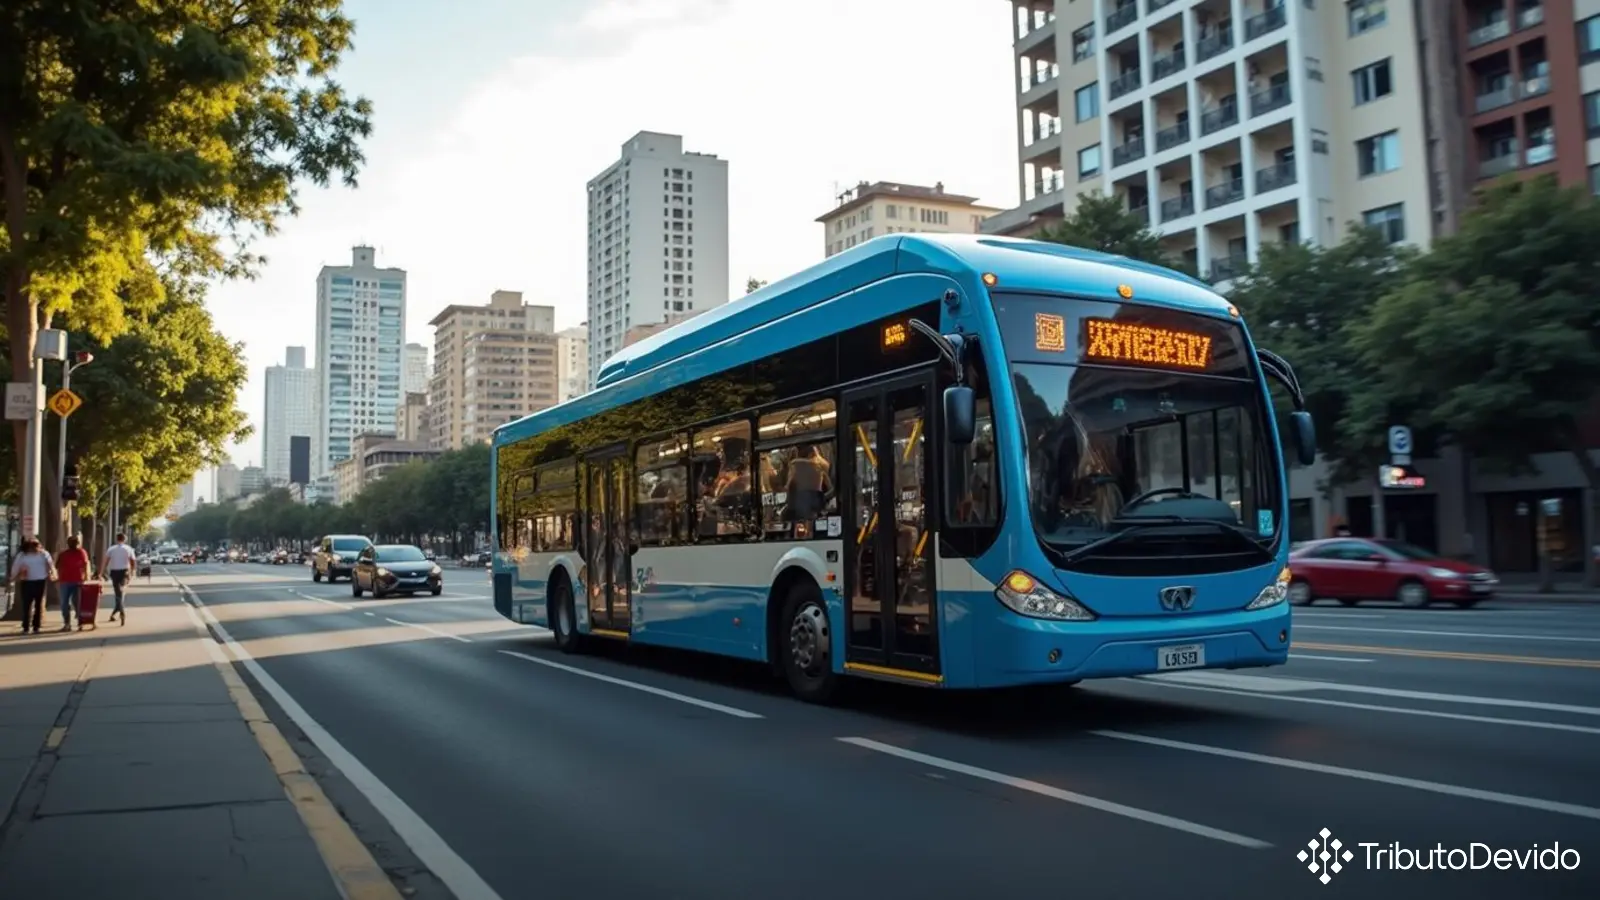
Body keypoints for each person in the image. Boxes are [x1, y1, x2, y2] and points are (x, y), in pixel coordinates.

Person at [9, 538, 55, 635]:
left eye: (35, 546)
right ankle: (26, 626)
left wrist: (52, 573)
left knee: (38, 604)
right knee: (27, 605)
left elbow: (50, 564)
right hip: (27, 581)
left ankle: (35, 626)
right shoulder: (22, 555)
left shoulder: (43, 554)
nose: (34, 549)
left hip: (40, 581)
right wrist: (13, 577)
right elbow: (16, 567)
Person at [56, 534, 91, 632]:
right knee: (66, 603)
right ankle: (68, 623)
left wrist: (87, 576)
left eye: (75, 543)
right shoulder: (64, 554)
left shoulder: (81, 552)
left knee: (76, 603)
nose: (74, 545)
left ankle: (79, 623)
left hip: (76, 581)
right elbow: (57, 565)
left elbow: (85, 564)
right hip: (67, 580)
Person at [100, 532, 136, 625]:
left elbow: (106, 561)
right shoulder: (128, 549)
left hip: (114, 573)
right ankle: (121, 612)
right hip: (124, 572)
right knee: (120, 593)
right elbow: (133, 561)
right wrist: (133, 572)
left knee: (118, 593)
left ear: (117, 539)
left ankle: (116, 612)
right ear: (125, 540)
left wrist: (101, 573)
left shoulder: (111, 549)